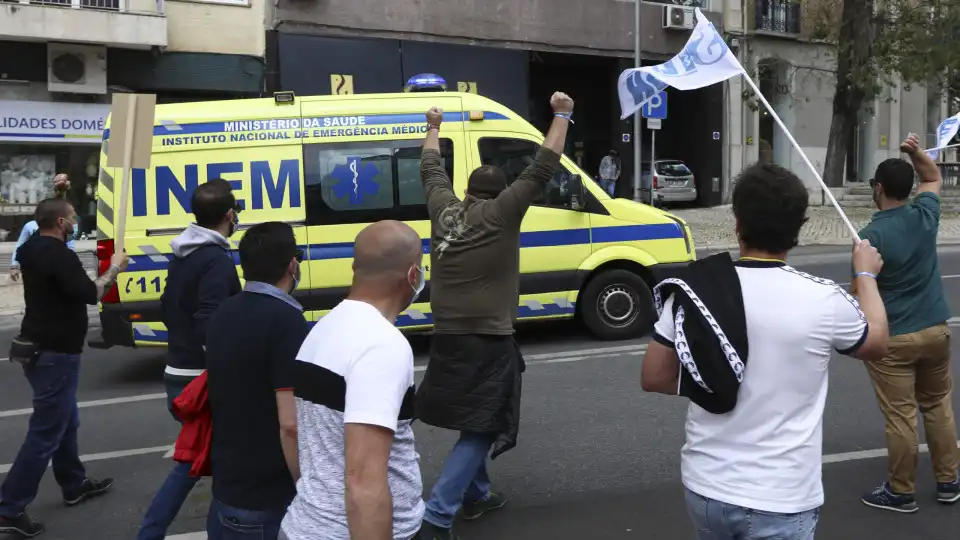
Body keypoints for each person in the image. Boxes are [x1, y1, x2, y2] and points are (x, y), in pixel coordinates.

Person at [640, 163, 890, 540]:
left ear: (737, 223)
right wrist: (866, 276)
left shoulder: (696, 290)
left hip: (707, 486)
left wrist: (718, 377)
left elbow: (655, 376)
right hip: (781, 497)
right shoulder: (823, 298)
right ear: (799, 230)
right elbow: (877, 343)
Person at [414, 92, 573, 540]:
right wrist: (561, 113)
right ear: (501, 192)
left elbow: (430, 167)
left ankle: (476, 494)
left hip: (446, 335)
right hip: (487, 337)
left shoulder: (442, 208)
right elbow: (544, 164)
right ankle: (437, 515)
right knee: (487, 424)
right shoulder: (505, 212)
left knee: (474, 414)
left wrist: (432, 126)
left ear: (466, 190)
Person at [281, 220, 425, 540]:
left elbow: (291, 428)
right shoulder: (382, 344)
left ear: (354, 268)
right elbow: (363, 480)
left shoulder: (322, 329)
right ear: (413, 275)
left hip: (305, 524)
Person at [0, 197, 127, 538]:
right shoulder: (59, 254)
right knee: (46, 433)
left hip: (38, 348)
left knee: (65, 421)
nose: (75, 221)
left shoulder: (29, 250)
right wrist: (115, 267)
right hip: (55, 353)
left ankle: (73, 484)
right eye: (71, 217)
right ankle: (9, 507)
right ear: (59, 222)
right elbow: (91, 293)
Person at [857, 135, 960, 512]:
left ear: (879, 189)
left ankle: (902, 490)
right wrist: (916, 152)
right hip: (936, 329)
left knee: (900, 416)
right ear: (909, 188)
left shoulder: (869, 238)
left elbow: (861, 293)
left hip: (895, 339)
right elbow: (932, 177)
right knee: (937, 406)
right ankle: (948, 481)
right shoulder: (925, 214)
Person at [137, 178, 242, 540]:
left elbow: (168, 306)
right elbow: (210, 319)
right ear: (230, 214)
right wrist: (226, 366)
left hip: (177, 370)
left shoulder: (183, 253)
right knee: (194, 465)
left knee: (216, 462)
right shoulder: (216, 260)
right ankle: (150, 533)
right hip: (201, 378)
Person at [204, 221, 308, 539]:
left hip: (227, 490)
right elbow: (290, 424)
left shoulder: (224, 312)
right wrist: (305, 486)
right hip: (266, 498)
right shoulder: (286, 321)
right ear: (292, 265)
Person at [10, 174, 76, 282]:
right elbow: (20, 245)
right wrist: (14, 265)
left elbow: (70, 245)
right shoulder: (31, 227)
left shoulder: (67, 225)